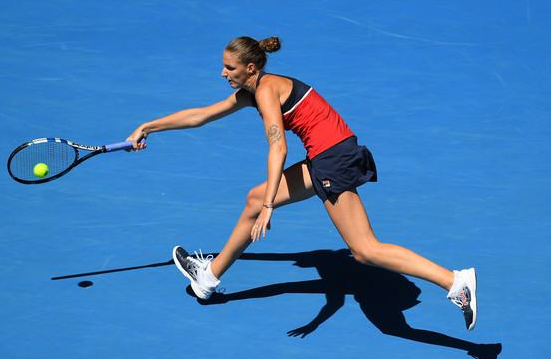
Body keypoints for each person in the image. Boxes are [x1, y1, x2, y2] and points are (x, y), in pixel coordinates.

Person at [126, 36, 478, 331]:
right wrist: (148, 126)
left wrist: (270, 209)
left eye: (229, 68)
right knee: (253, 199)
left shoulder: (264, 91)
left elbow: (278, 146)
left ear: (250, 68)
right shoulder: (253, 90)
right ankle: (208, 278)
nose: (223, 73)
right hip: (327, 154)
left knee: (365, 251)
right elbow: (201, 115)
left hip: (332, 159)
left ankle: (455, 282)